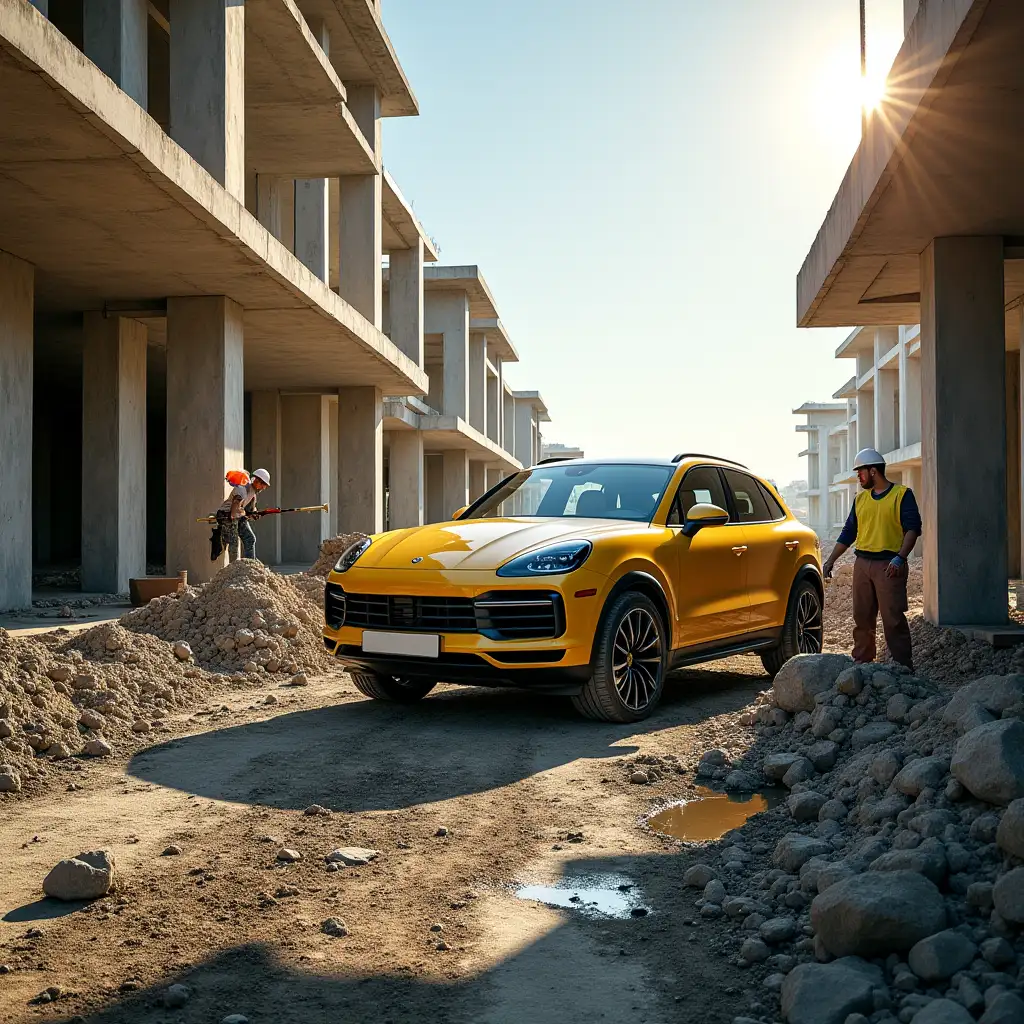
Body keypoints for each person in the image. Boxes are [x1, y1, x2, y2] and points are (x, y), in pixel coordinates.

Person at [822, 448, 922, 670]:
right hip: (862, 565)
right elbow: (848, 534)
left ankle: (902, 668)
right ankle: (863, 663)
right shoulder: (860, 500)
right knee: (862, 618)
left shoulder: (902, 495)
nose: (859, 477)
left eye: (861, 473)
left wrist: (900, 558)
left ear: (873, 471)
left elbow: (913, 529)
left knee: (893, 620)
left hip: (890, 565)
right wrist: (830, 561)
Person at [216, 468, 271, 562]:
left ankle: (249, 565)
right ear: (257, 481)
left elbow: (251, 510)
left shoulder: (253, 494)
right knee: (234, 543)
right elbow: (235, 509)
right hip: (226, 515)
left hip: (238, 516)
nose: (264, 487)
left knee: (250, 538)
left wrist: (255, 514)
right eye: (263, 484)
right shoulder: (242, 489)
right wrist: (242, 515)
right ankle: (233, 569)